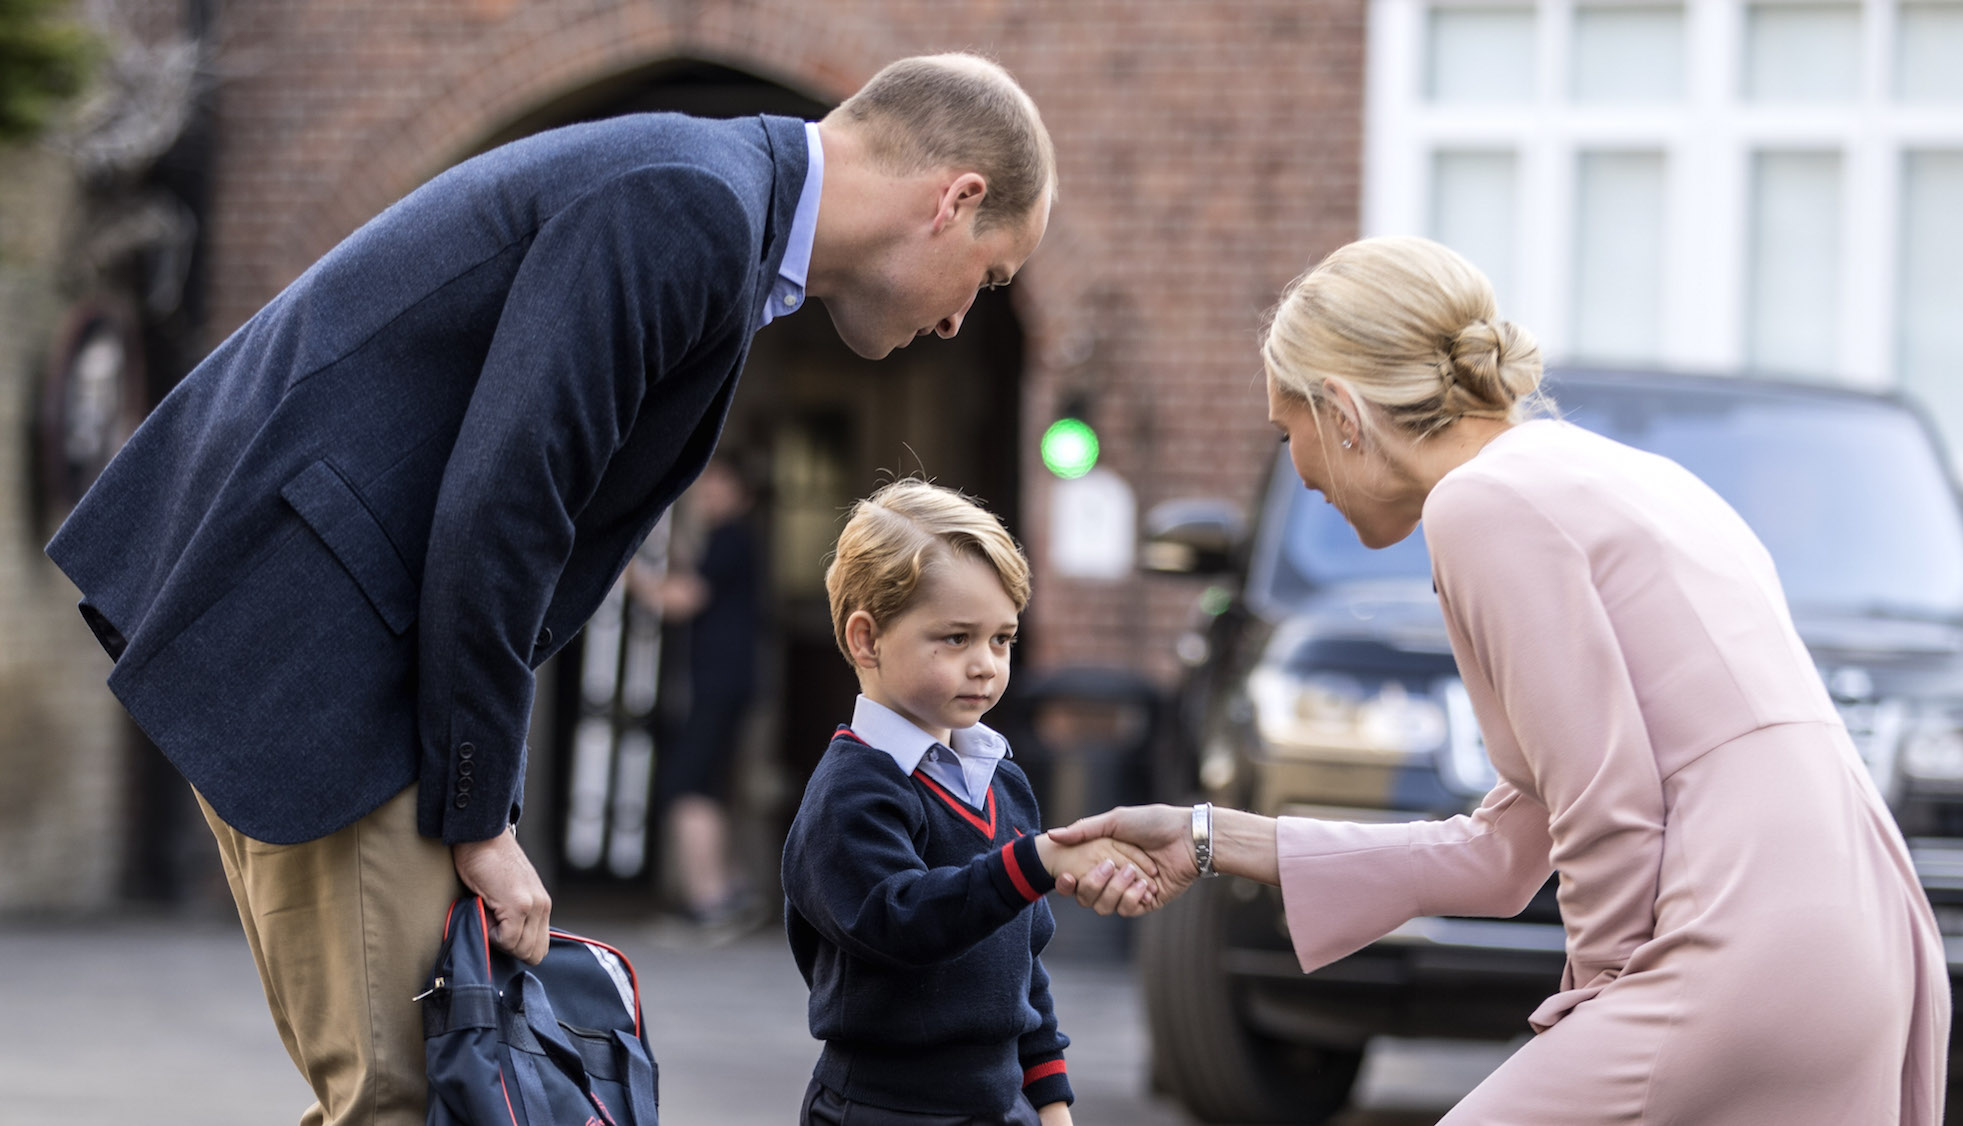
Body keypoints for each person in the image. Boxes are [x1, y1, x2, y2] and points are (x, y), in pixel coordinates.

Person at [45, 53, 1054, 1126]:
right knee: (416, 1093)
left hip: (313, 626)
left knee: (417, 1090)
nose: (958, 321)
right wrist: (481, 814)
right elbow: (505, 505)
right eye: (988, 279)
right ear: (956, 201)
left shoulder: (707, 194)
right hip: (328, 647)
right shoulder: (691, 203)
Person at [1054, 236, 1951, 1123]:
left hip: (1737, 949)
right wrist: (1208, 837)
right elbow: (1506, 850)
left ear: (1340, 410)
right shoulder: (1622, 477)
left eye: (1287, 431)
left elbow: (1607, 807)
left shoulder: (1485, 505)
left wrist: (1595, 1007)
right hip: (1861, 937)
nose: (1300, 466)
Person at [781, 479, 1157, 1126]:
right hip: (883, 1109)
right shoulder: (849, 794)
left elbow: (1022, 970)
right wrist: (1034, 863)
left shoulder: (1003, 780)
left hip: (999, 1106)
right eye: (956, 638)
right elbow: (903, 924)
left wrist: (1053, 1103)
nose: (986, 664)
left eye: (1002, 639)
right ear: (867, 639)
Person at [625, 457, 766, 936]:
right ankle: (728, 891)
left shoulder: (731, 537)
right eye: (702, 485)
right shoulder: (726, 540)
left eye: (718, 486)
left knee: (685, 783)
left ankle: (712, 901)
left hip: (719, 682)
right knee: (703, 782)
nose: (706, 495)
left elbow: (679, 600)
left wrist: (622, 569)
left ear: (741, 493)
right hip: (724, 683)